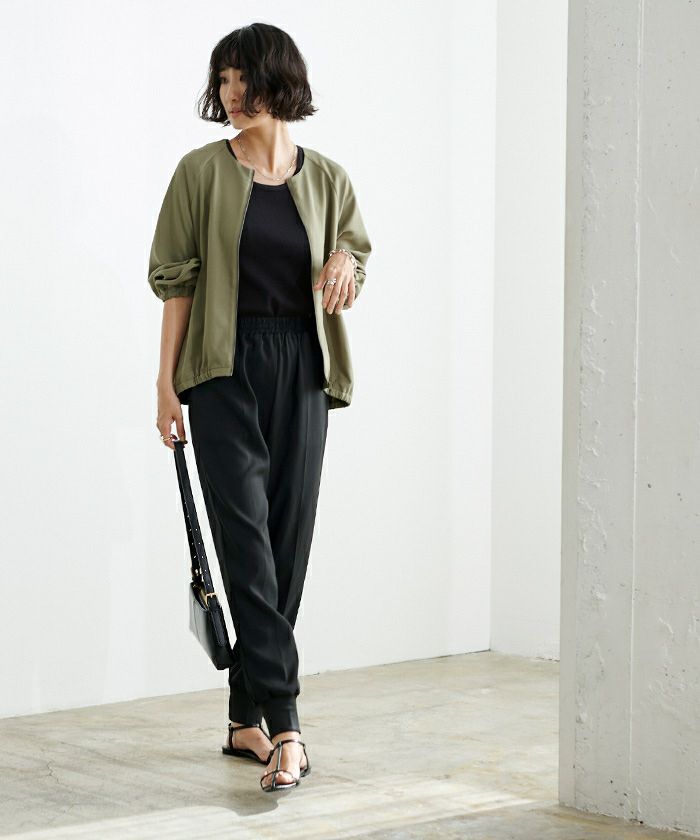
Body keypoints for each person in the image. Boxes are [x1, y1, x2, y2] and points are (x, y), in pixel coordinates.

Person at [148, 22, 372, 793]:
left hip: (302, 368)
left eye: (245, 78)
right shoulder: (199, 172)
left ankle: (244, 718)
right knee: (245, 543)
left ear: (281, 81)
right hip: (221, 366)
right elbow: (177, 280)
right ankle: (287, 726)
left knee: (285, 546)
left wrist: (345, 261)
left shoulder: (329, 178)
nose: (233, 93)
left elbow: (353, 255)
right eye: (224, 79)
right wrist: (166, 381)